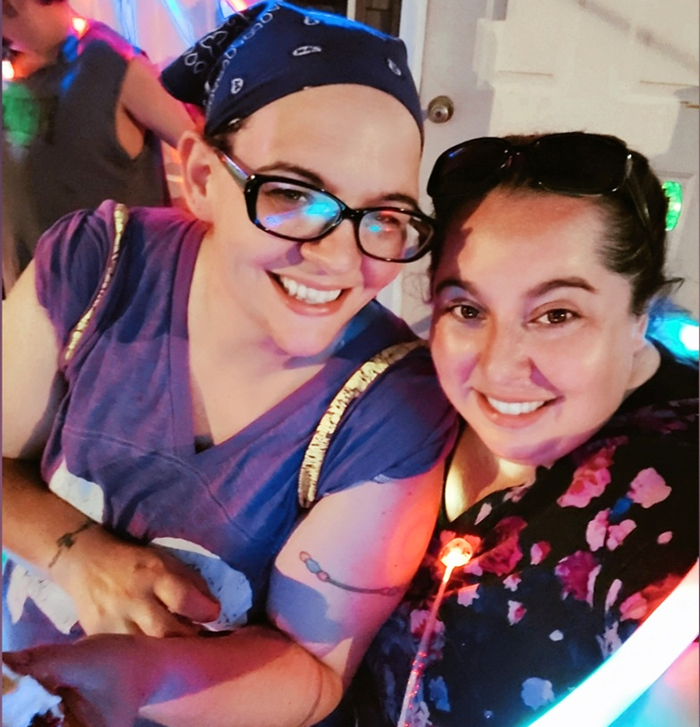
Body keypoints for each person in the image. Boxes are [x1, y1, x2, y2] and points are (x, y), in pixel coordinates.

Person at [1, 3, 458, 726]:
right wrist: (78, 557)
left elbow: (314, 671)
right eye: (293, 194)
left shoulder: (389, 405)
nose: (339, 259)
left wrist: (145, 675)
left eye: (384, 216)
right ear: (202, 174)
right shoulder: (96, 267)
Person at [353, 132, 699, 726]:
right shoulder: (400, 396)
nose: (498, 367)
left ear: (639, 316)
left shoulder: (667, 488)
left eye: (556, 314)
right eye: (468, 310)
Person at [1, 0, 198, 293]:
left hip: (124, 305)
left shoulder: (113, 63)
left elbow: (203, 155)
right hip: (33, 305)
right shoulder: (11, 74)